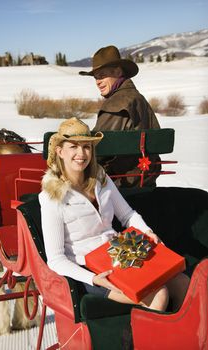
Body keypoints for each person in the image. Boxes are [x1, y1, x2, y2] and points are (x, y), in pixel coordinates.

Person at [39, 117, 189, 311]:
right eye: (73, 147)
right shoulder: (52, 197)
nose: (81, 154)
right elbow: (56, 259)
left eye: (86, 147)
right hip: (88, 268)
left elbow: (127, 215)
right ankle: (140, 341)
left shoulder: (101, 178)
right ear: (60, 151)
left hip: (120, 254)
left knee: (182, 283)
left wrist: (147, 232)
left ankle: (185, 338)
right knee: (158, 295)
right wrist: (93, 279)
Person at [79, 45, 161, 188]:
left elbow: (98, 148)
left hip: (120, 182)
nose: (98, 82)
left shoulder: (117, 104)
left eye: (102, 75)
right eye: (96, 77)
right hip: (144, 177)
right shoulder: (137, 98)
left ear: (117, 72)